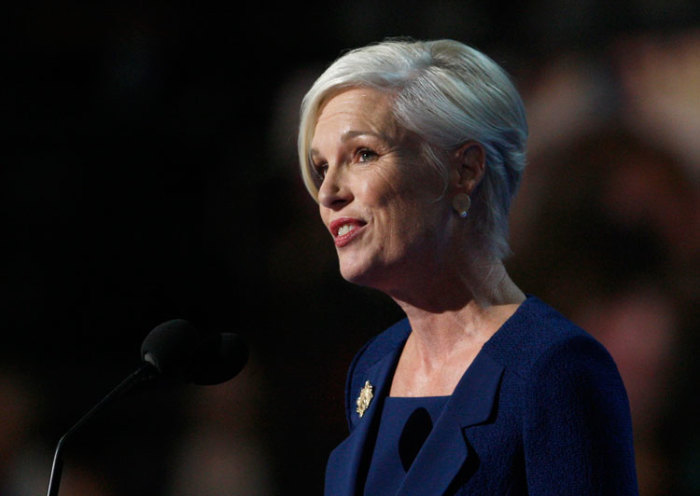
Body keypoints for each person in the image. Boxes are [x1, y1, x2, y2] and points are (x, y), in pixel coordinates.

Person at [296, 38, 638, 495]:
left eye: (363, 154)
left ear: (465, 170)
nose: (328, 194)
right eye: (321, 167)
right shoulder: (373, 368)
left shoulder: (553, 370)